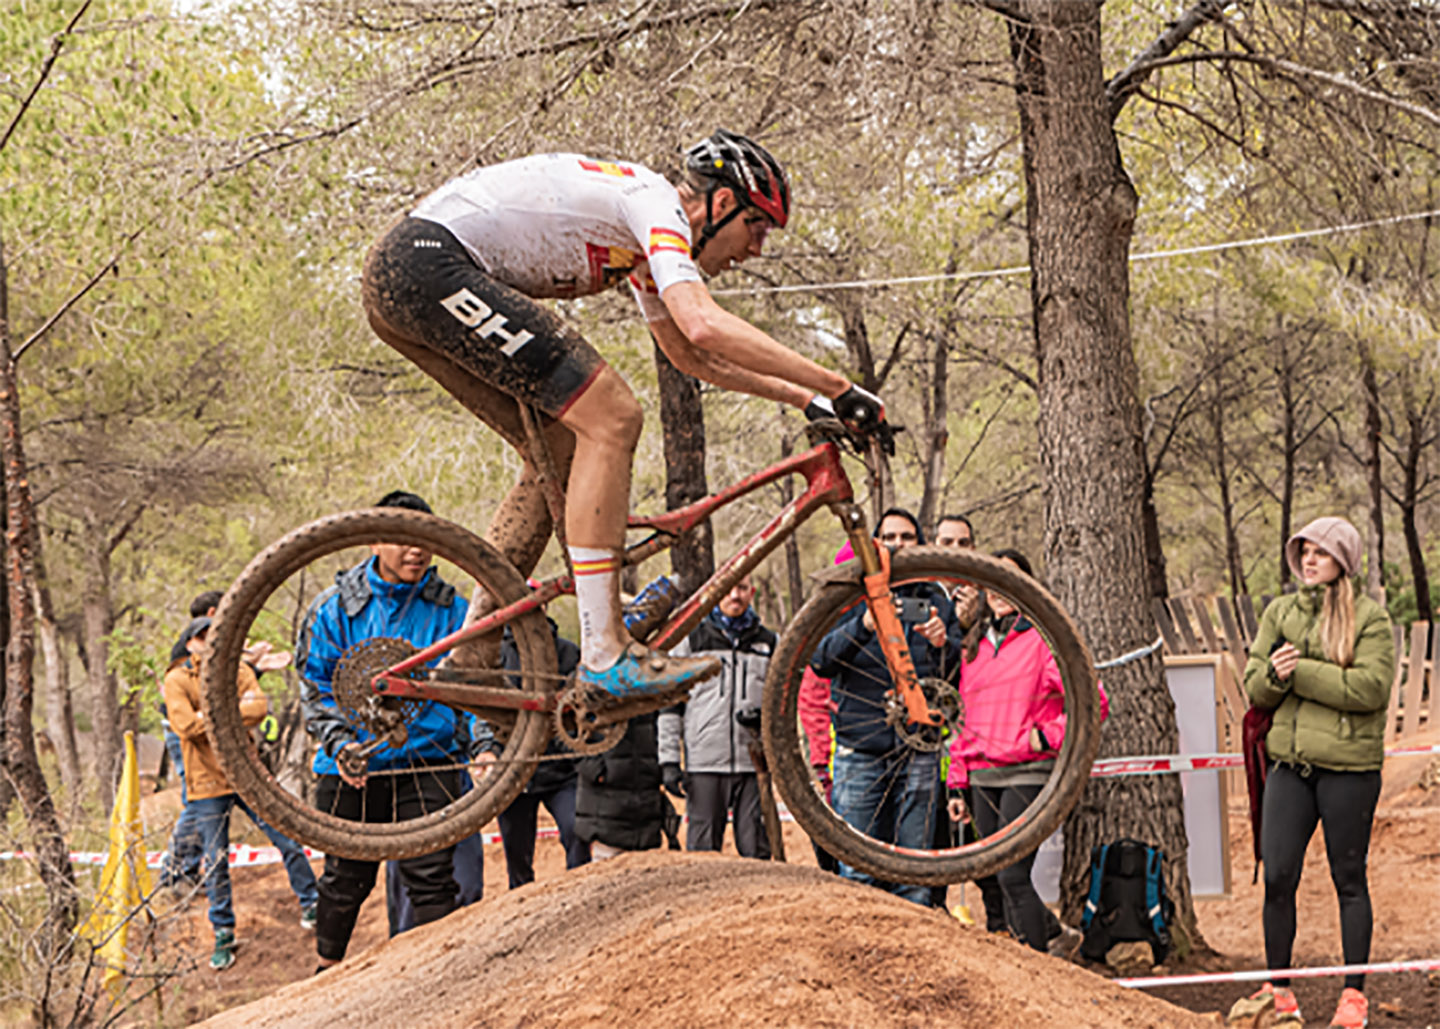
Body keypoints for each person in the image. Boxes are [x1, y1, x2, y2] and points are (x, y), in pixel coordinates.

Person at [359, 129, 890, 708]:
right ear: (720, 203)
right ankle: (604, 652)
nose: (757, 249)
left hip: (408, 275)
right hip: (427, 265)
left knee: (560, 451)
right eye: (757, 226)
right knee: (614, 414)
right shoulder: (657, 206)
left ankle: (473, 655)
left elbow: (688, 355)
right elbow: (703, 324)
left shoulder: (641, 241)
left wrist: (806, 399)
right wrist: (838, 386)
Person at [298, 490, 473, 971]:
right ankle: (325, 971)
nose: (417, 550)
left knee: (432, 874)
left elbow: (477, 686)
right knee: (345, 877)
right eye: (402, 539)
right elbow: (314, 686)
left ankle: (444, 975)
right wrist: (340, 744)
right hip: (351, 762)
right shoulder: (333, 608)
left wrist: (482, 744)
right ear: (375, 541)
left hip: (430, 757)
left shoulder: (453, 610)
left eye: (426, 540)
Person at [1229, 517, 1393, 1029]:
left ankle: (1354, 997)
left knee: (1349, 879)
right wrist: (1276, 676)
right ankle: (1279, 993)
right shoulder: (1280, 612)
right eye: (1303, 551)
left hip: (1349, 770)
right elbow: (1256, 687)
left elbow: (1370, 689)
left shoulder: (1371, 618)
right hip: (1289, 767)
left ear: (1342, 560)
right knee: (1278, 877)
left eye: (1319, 552)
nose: (1308, 559)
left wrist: (1297, 672)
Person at [946, 549, 1108, 953]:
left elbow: (1095, 702)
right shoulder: (973, 646)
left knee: (1012, 876)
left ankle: (1040, 967)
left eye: (1011, 577)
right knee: (996, 875)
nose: (1000, 588)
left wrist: (1046, 737)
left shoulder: (1044, 640)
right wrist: (957, 783)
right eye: (993, 579)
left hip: (1027, 772)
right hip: (981, 775)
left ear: (1028, 586)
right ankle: (1054, 936)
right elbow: (965, 719)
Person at [809, 508, 963, 905]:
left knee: (915, 870)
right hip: (859, 748)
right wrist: (863, 626)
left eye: (907, 537)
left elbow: (954, 679)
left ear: (920, 543)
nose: (898, 544)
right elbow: (820, 660)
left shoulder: (937, 602)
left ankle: (914, 940)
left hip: (919, 749)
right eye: (889, 537)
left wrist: (943, 644)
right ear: (875, 544)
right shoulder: (847, 598)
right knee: (858, 869)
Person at [162, 617, 319, 971]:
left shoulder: (238, 670)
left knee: (286, 836)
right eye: (202, 636)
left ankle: (312, 902)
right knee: (216, 861)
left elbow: (258, 709)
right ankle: (223, 933)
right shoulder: (177, 679)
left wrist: (209, 713)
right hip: (205, 782)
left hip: (246, 772)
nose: (209, 641)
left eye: (214, 634)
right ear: (190, 643)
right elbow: (185, 725)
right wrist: (234, 710)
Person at [658, 575, 775, 858]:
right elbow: (670, 705)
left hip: (754, 765)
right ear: (715, 593)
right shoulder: (690, 641)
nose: (735, 595)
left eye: (742, 588)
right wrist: (669, 761)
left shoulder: (770, 643)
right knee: (702, 855)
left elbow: (782, 705)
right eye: (728, 589)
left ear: (752, 592)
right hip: (704, 764)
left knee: (757, 854)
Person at [495, 620, 591, 886]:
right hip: (513, 772)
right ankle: (521, 900)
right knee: (516, 853)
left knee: (577, 831)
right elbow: (483, 714)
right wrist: (485, 750)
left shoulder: (568, 652)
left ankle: (580, 890)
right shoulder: (497, 654)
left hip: (561, 769)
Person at [157, 589, 225, 890]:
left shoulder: (200, 639)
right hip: (183, 730)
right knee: (197, 801)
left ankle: (184, 872)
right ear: (212, 613)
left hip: (194, 725)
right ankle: (175, 875)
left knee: (199, 802)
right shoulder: (192, 642)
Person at [574, 712, 667, 860]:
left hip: (646, 808)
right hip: (605, 810)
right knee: (606, 869)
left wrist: (660, 768)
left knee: (645, 869)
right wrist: (595, 770)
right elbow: (566, 732)